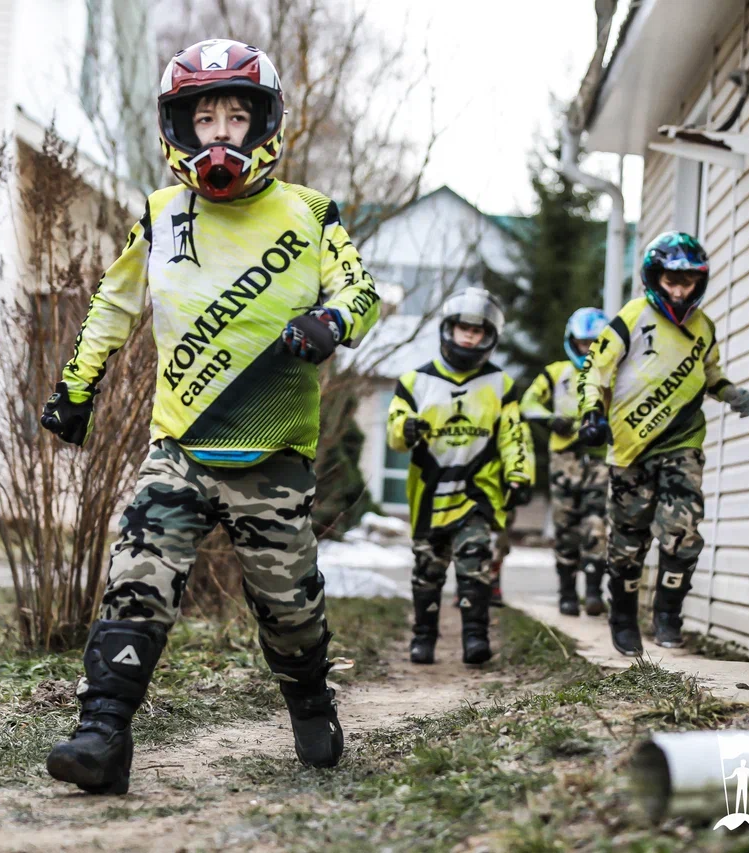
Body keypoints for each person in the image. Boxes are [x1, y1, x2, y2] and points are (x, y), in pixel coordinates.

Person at [39, 39, 381, 793]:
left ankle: (310, 697)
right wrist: (78, 385)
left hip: (272, 452)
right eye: (204, 118)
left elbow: (363, 292)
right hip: (181, 447)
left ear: (264, 124)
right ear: (180, 130)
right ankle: (101, 731)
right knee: (138, 574)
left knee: (288, 609)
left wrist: (331, 320)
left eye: (235, 115)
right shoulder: (162, 215)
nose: (219, 132)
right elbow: (114, 304)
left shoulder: (310, 213)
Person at [578, 232, 749, 654]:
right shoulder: (631, 317)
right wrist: (591, 414)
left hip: (682, 440)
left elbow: (710, 373)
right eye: (671, 281)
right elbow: (594, 371)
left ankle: (668, 613)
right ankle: (622, 616)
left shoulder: (702, 326)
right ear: (655, 278)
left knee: (683, 530)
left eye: (687, 282)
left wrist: (730, 392)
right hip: (630, 445)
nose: (678, 290)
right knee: (628, 538)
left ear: (699, 283)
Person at [387, 288, 535, 665]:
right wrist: (406, 429)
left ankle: (475, 637)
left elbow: (514, 434)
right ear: (448, 330)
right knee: (427, 570)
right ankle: (423, 637)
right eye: (463, 329)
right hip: (430, 491)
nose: (469, 337)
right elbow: (394, 426)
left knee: (475, 563)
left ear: (489, 338)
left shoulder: (500, 385)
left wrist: (520, 474)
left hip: (477, 491)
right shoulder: (414, 381)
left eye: (478, 331)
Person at [520, 307, 611, 617]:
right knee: (565, 527)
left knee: (596, 524)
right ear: (573, 341)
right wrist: (550, 419)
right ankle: (567, 593)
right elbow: (528, 402)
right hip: (564, 459)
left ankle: (595, 592)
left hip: (599, 458)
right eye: (583, 343)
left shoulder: (610, 374)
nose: (588, 350)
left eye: (595, 343)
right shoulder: (557, 373)